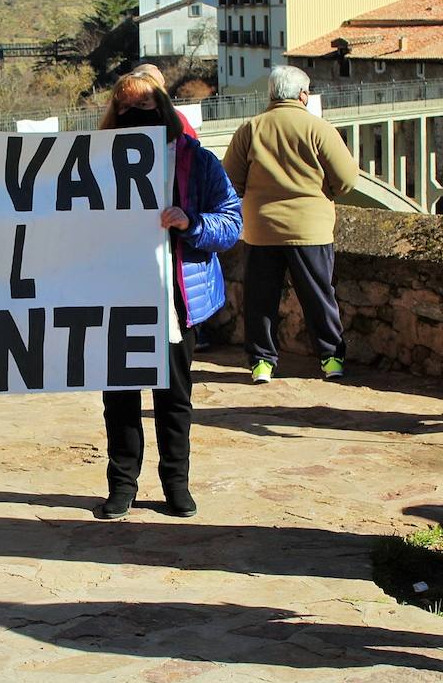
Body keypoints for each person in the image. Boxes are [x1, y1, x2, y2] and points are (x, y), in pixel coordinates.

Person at [93, 72, 242, 521]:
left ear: (163, 109)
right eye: (126, 109)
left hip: (176, 300)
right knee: (119, 398)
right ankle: (122, 487)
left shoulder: (197, 161)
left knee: (174, 397)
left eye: (146, 107)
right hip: (116, 296)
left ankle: (176, 485)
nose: (137, 116)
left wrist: (191, 222)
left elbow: (231, 223)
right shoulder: (93, 162)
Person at [222, 65, 357, 384]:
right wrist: (325, 194)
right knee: (318, 296)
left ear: (271, 93)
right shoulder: (318, 129)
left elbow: (229, 179)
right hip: (310, 228)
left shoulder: (251, 129)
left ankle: (262, 363)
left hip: (261, 228)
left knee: (260, 299)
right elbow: (348, 179)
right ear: (303, 95)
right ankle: (331, 358)